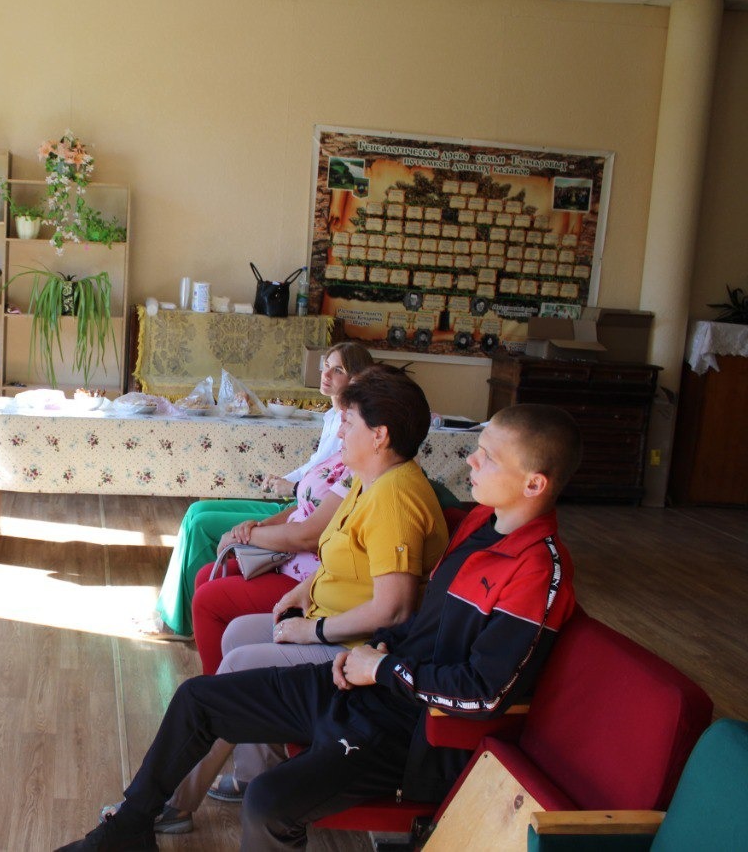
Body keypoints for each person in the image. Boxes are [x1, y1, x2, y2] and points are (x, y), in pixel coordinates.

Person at [58, 403, 582, 851]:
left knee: (268, 803)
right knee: (199, 700)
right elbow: (422, 625)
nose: (471, 459)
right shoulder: (481, 525)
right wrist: (370, 655)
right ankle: (128, 828)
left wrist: (381, 667)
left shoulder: (538, 571)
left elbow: (484, 694)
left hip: (415, 734)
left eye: (487, 455)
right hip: (368, 685)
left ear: (534, 483)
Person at [105, 366, 450, 835]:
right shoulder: (369, 479)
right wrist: (304, 590)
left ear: (380, 435)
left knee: (237, 665)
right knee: (236, 634)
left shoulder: (395, 497)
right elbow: (342, 550)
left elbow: (395, 609)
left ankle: (175, 804)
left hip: (356, 650)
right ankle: (254, 773)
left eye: (348, 423)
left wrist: (313, 631)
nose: (340, 432)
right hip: (332, 619)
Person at [145, 342, 374, 639]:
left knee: (201, 523)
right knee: (195, 511)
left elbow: (318, 508)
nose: (326, 375)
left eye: (338, 370)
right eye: (325, 366)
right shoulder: (334, 418)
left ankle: (183, 624)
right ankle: (174, 614)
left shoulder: (356, 437)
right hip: (298, 507)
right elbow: (316, 470)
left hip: (301, 516)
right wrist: (285, 483)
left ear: (356, 379)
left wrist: (287, 492)